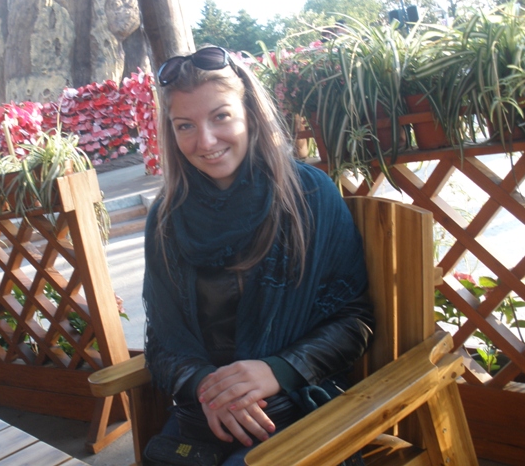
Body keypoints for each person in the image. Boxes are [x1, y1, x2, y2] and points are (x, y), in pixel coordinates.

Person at [142, 45, 375, 465]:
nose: (205, 141)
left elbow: (353, 319)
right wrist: (206, 386)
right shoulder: (166, 218)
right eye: (185, 126)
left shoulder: (309, 196)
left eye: (221, 116)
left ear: (250, 112)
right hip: (205, 410)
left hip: (298, 399)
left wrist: (277, 370)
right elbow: (162, 339)